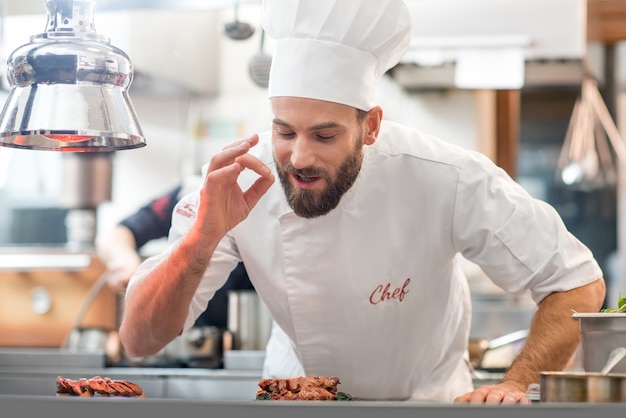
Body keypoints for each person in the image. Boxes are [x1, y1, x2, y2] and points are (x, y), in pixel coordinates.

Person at [119, 0, 605, 404]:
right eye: (284, 131)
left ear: (370, 126)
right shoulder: (239, 179)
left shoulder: (447, 177)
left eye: (325, 135)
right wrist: (202, 238)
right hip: (297, 402)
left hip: (426, 407)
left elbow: (576, 282)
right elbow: (139, 339)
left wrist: (516, 383)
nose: (299, 156)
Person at [95, 181, 254, 330]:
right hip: (185, 335)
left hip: (253, 333)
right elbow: (115, 235)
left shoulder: (265, 202)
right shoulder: (190, 194)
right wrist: (126, 263)